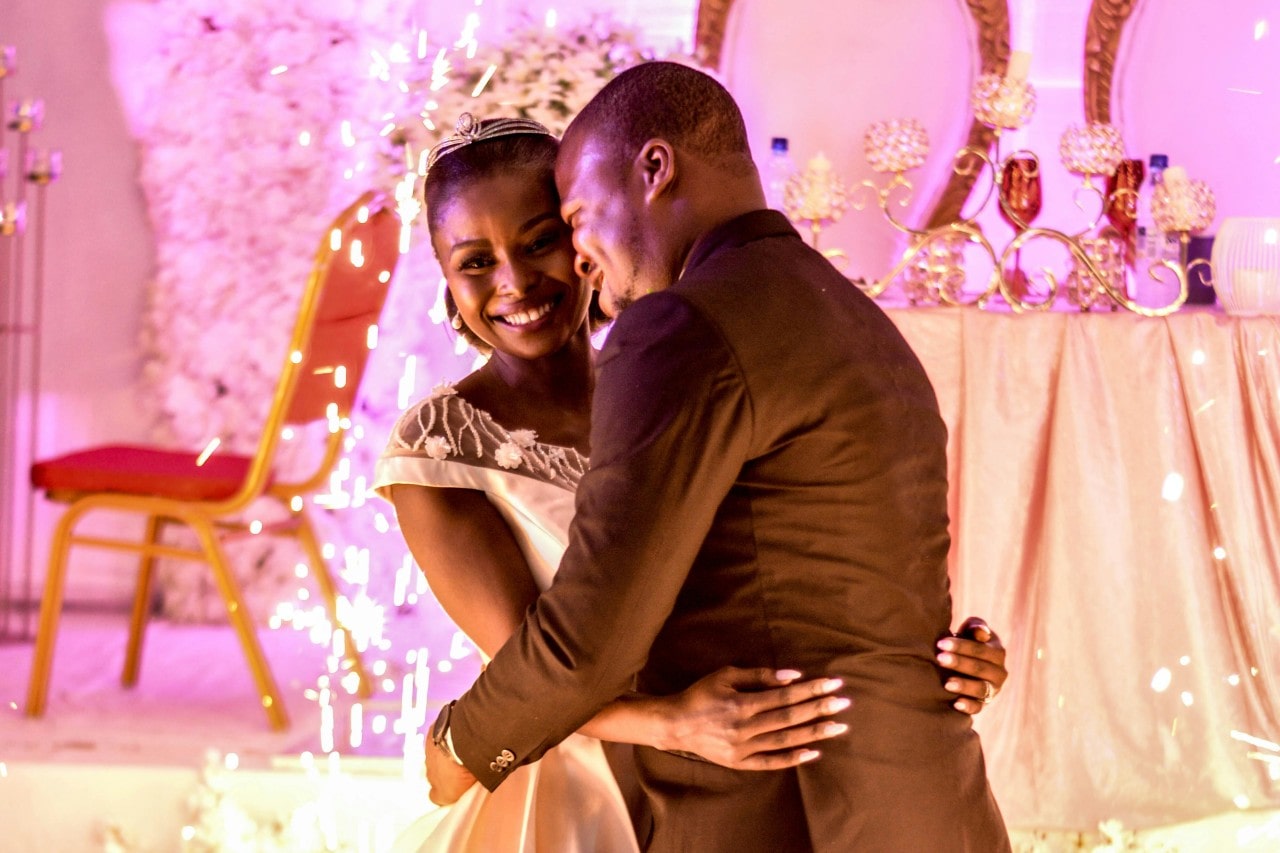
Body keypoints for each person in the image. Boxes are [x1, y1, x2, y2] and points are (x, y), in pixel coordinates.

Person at [380, 96, 1008, 851]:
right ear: (447, 278)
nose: (520, 278)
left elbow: (801, 553)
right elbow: (549, 649)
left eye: (555, 233)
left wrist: (943, 653)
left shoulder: (677, 345)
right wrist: (668, 723)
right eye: (474, 262)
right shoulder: (852, 319)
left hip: (764, 786)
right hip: (586, 778)